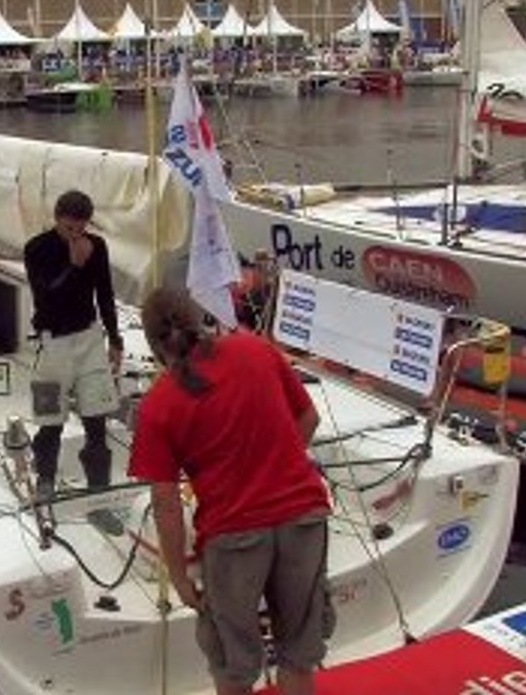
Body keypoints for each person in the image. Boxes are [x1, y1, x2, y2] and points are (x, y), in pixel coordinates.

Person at [128, 287, 333, 695]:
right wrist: (278, 463)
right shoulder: (257, 350)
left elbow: (166, 504)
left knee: (232, 665)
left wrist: (179, 577)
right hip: (304, 518)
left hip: (235, 536)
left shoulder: (158, 405)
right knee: (299, 654)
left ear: (153, 344)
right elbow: (308, 418)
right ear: (198, 319)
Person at [23, 189, 124, 535]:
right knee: (50, 421)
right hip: (52, 345)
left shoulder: (97, 246)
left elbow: (105, 294)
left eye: (80, 230)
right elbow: (45, 300)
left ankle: (99, 497)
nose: (75, 236)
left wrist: (115, 339)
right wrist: (73, 265)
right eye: (69, 229)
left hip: (89, 341)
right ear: (57, 219)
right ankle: (45, 481)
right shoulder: (37, 249)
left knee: (97, 421)